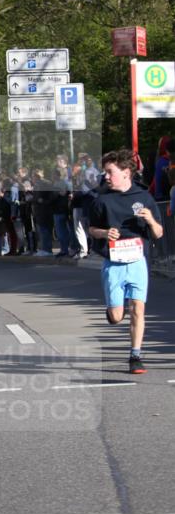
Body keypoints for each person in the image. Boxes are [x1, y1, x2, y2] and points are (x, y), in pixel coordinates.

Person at [89, 149, 163, 375]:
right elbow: (91, 229)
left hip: (137, 262)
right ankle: (113, 311)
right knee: (117, 316)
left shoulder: (143, 198)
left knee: (138, 309)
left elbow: (159, 233)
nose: (106, 177)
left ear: (126, 172)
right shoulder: (102, 200)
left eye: (110, 172)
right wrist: (104, 233)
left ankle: (135, 356)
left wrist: (150, 219)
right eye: (106, 173)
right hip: (114, 264)